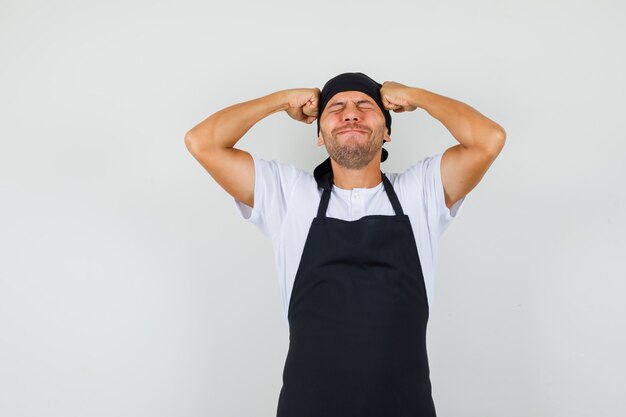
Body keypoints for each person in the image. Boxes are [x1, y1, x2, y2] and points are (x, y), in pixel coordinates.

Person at [184, 72, 506, 416]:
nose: (351, 113)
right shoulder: (290, 196)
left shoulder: (420, 193)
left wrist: (416, 95)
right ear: (320, 135)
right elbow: (201, 142)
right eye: (336, 107)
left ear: (387, 132)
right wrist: (280, 100)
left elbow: (490, 139)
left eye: (365, 105)